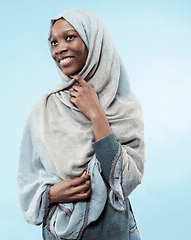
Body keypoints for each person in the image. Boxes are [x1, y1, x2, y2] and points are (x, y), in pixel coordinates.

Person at [17, 8, 145, 240]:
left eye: (69, 37)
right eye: (54, 42)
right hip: (60, 233)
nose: (60, 48)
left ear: (93, 41)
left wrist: (96, 114)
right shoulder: (43, 109)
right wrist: (51, 194)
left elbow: (125, 181)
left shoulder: (123, 106)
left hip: (111, 232)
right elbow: (28, 183)